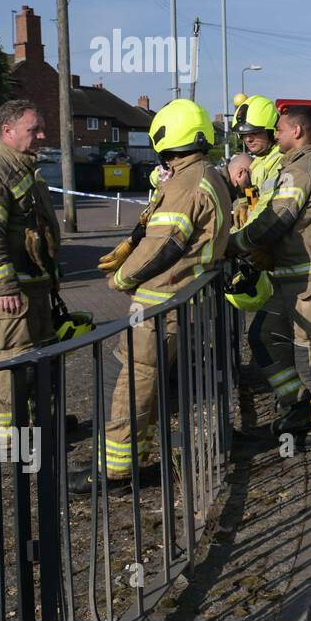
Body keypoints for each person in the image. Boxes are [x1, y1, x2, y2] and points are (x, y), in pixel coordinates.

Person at [69, 99, 230, 493]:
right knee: (146, 383)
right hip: (182, 300)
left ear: (164, 139)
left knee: (134, 383)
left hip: (163, 302)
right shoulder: (204, 175)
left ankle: (115, 473)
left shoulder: (186, 182)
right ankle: (133, 459)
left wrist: (121, 279)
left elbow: (165, 246)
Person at [229, 104, 311, 450]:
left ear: (296, 132)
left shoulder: (302, 170)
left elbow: (277, 218)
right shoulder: (294, 167)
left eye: (280, 130)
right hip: (294, 280)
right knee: (266, 335)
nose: (277, 135)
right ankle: (299, 406)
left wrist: (235, 243)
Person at [0, 100, 60, 431]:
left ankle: (41, 428)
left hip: (33, 288)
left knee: (40, 361)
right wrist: (5, 285)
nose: (42, 135)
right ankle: (9, 440)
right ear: (8, 131)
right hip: (7, 295)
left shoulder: (23, 168)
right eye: (35, 130)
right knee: (12, 368)